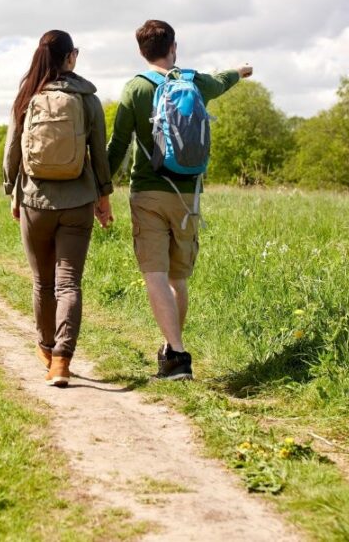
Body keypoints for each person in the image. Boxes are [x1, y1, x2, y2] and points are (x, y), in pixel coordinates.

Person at [106, 20, 252, 380]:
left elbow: (118, 145)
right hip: (188, 196)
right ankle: (172, 348)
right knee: (178, 278)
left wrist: (100, 189)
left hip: (148, 193)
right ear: (174, 46)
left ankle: (178, 356)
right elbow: (223, 80)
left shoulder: (135, 89)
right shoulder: (195, 82)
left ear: (142, 50)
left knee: (154, 274)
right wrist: (241, 71)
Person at [4, 30, 114, 387]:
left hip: (35, 199)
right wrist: (103, 196)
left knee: (43, 283)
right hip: (78, 200)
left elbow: (12, 152)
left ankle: (47, 348)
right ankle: (62, 363)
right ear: (70, 57)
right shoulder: (86, 99)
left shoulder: (26, 96)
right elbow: (99, 152)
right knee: (69, 284)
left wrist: (13, 192)